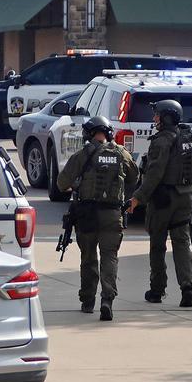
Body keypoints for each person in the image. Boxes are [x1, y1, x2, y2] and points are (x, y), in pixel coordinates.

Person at [57, 116, 138, 322]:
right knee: (110, 256)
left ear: (89, 133)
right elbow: (134, 177)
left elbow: (61, 183)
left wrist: (76, 185)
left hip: (87, 214)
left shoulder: (82, 155)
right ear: (109, 133)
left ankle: (87, 301)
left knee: (89, 257)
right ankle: (107, 300)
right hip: (112, 214)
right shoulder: (121, 153)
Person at [128, 99, 192, 308]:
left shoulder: (161, 141)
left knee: (158, 245)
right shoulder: (189, 138)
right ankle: (188, 288)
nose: (154, 118)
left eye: (157, 115)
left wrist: (138, 197)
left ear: (167, 117)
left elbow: (154, 174)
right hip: (186, 196)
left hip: (163, 199)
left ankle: (157, 290)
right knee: (182, 244)